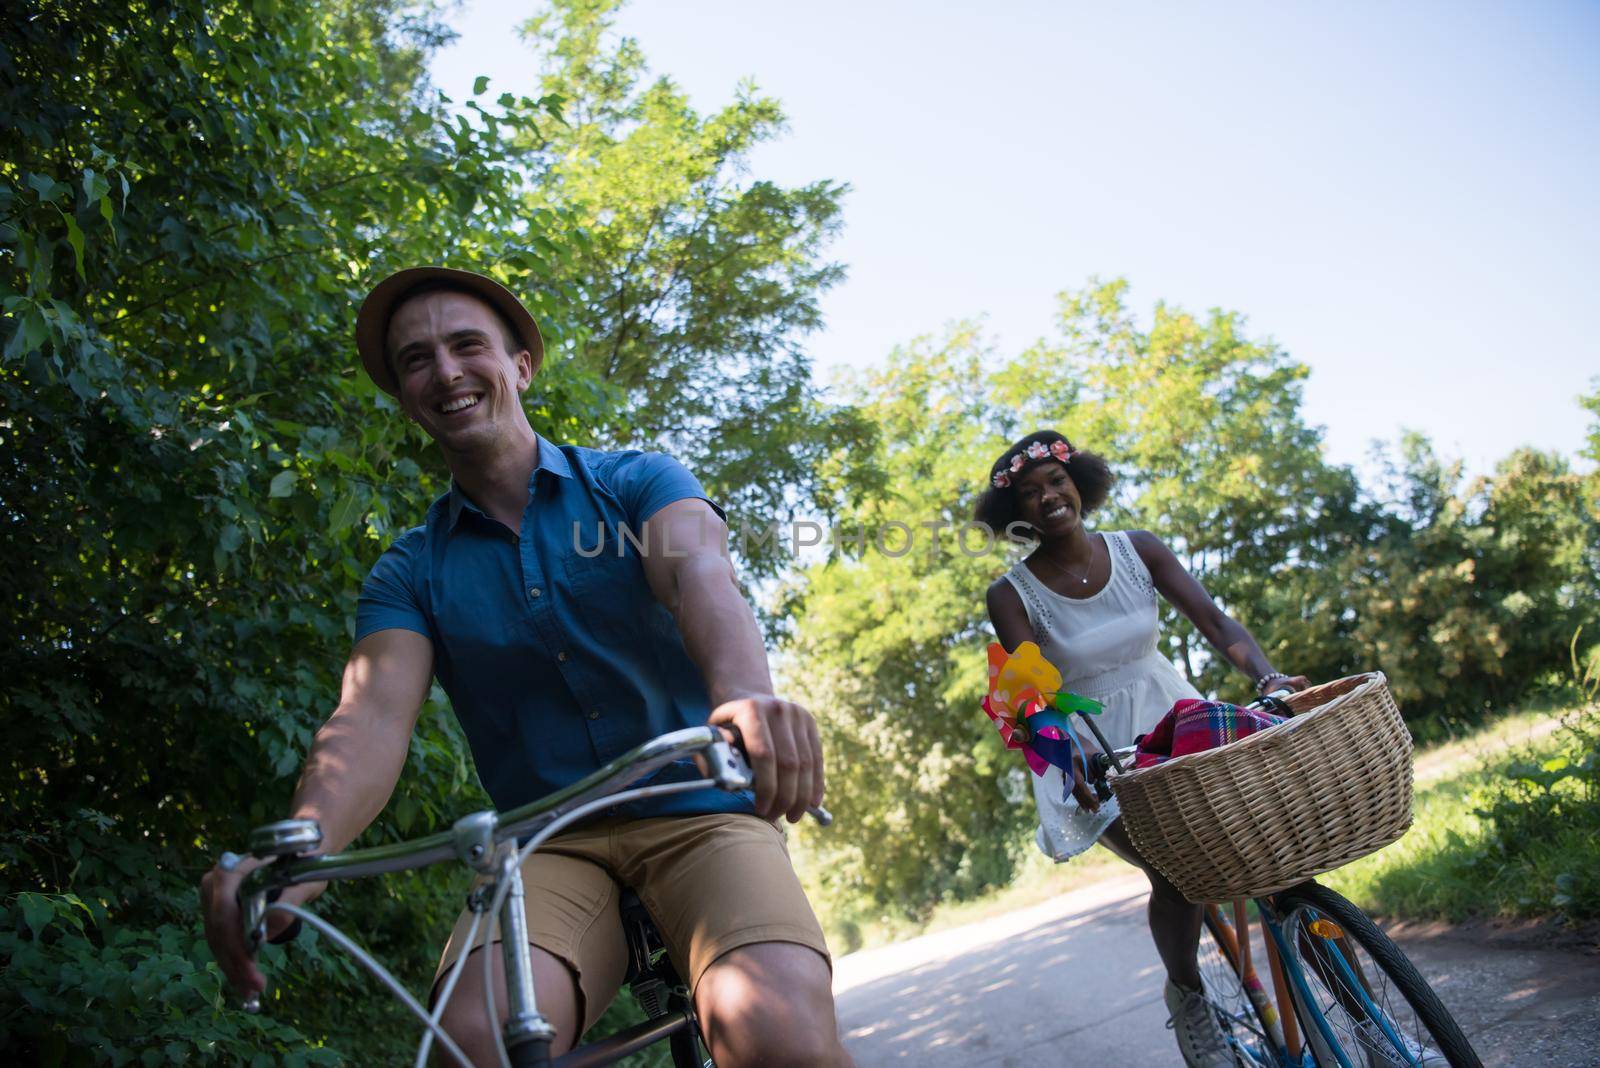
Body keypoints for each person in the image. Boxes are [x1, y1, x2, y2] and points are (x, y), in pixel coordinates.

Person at [200, 266, 852, 1067]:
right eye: (416, 360)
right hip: (548, 845)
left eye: (467, 345)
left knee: (776, 1033)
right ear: (405, 398)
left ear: (521, 365)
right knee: (470, 1048)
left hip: (698, 809)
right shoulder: (408, 573)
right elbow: (368, 718)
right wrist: (293, 856)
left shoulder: (636, 484)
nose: (445, 371)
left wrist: (747, 699)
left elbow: (698, 579)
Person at [976, 429, 1308, 1068]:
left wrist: (1265, 677)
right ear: (1016, 514)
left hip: (1178, 722)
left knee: (1280, 853)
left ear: (1080, 485)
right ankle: (1189, 1000)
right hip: (1091, 752)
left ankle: (1366, 1018)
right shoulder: (1010, 595)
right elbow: (1031, 697)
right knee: (1177, 872)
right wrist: (1068, 763)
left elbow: (1214, 621)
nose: (1048, 497)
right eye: (1029, 492)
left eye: (1057, 482)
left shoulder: (1139, 550)